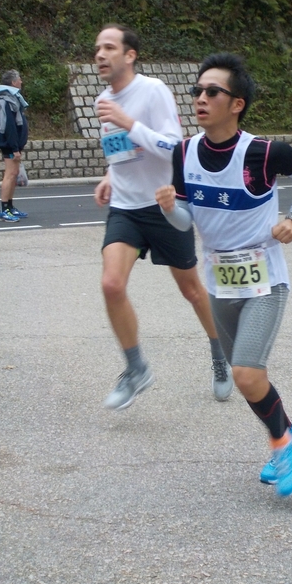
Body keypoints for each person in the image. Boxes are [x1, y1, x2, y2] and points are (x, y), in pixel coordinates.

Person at [155, 52, 292, 497]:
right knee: (249, 378)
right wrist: (170, 209)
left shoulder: (263, 153)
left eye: (213, 91)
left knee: (247, 375)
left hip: (265, 281)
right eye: (197, 90)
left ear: (237, 104)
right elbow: (186, 220)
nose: (200, 98)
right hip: (219, 282)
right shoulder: (184, 153)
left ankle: (283, 445)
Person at [93, 24, 233, 411]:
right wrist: (109, 175)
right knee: (111, 284)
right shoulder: (103, 100)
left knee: (191, 291)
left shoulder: (153, 91)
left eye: (109, 47)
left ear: (130, 55)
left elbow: (174, 147)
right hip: (125, 207)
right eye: (97, 49)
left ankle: (220, 354)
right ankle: (136, 369)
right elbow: (121, 152)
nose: (100, 55)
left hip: (163, 205)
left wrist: (128, 122)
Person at [0, 70, 29, 222]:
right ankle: (4, 210)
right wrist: (15, 148)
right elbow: (8, 126)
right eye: (19, 79)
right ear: (13, 82)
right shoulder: (5, 100)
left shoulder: (11, 98)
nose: (21, 82)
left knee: (14, 173)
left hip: (13, 144)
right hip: (9, 144)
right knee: (10, 174)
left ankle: (10, 207)